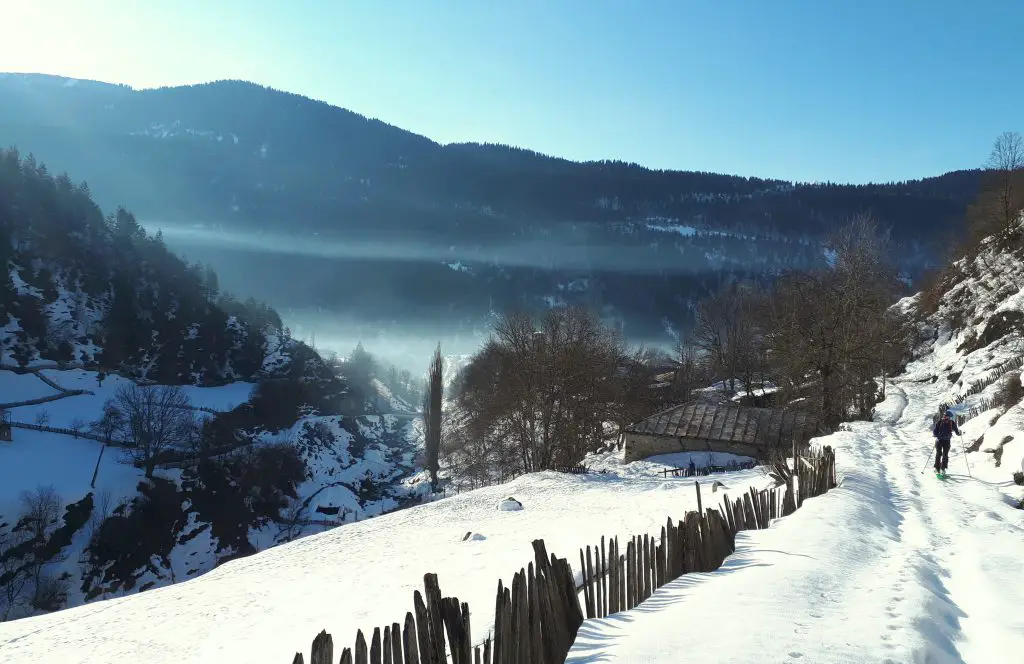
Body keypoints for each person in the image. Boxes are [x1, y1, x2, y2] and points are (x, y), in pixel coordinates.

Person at [932, 410, 961, 476]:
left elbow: (956, 431)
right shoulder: (940, 422)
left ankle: (942, 468)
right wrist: (937, 435)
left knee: (945, 454)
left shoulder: (952, 423)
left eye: (948, 417)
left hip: (946, 441)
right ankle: (937, 468)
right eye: (947, 416)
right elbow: (935, 432)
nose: (947, 418)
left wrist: (959, 433)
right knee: (939, 454)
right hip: (939, 440)